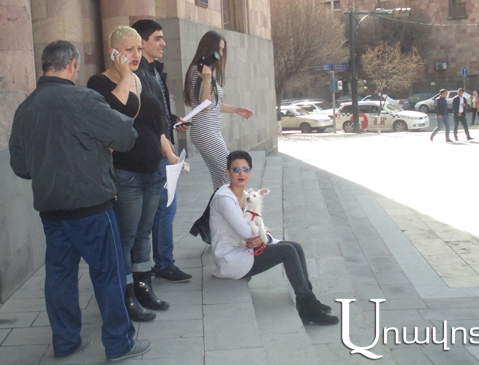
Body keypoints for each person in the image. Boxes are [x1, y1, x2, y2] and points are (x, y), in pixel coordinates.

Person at [9, 40, 151, 361]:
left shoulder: (26, 108)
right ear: (72, 65)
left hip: (51, 207)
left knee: (59, 275)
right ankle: (119, 343)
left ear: (45, 66)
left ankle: (66, 341)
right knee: (107, 272)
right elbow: (126, 136)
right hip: (91, 205)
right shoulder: (83, 99)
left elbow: (20, 166)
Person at [87, 26, 179, 322]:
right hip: (126, 173)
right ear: (113, 51)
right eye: (129, 49)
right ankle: (125, 295)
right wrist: (125, 76)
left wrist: (170, 154)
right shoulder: (99, 83)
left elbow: (156, 124)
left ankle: (143, 287)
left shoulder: (142, 79)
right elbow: (117, 115)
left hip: (153, 171)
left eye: (139, 48)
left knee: (143, 234)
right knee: (125, 237)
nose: (136, 55)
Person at [209, 150, 339, 325]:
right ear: (227, 173)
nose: (241, 174)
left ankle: (308, 299)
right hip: (230, 258)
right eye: (236, 169)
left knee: (296, 247)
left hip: (245, 248)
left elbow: (259, 226)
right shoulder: (224, 199)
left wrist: (266, 237)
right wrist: (264, 234)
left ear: (250, 172)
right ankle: (307, 307)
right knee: (287, 251)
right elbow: (246, 232)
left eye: (245, 169)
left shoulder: (245, 195)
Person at [131, 19, 193, 283]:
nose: (164, 43)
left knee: (164, 209)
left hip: (162, 149)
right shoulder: (139, 74)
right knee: (164, 209)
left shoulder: (154, 71)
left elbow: (157, 113)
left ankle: (158, 263)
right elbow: (145, 118)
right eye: (157, 38)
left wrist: (173, 120)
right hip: (155, 153)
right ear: (142, 42)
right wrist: (165, 146)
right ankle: (162, 264)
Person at [182, 31, 253, 191]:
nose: (221, 54)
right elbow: (205, 105)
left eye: (222, 50)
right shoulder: (197, 71)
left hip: (211, 130)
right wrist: (207, 80)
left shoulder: (208, 71)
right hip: (205, 130)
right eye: (218, 49)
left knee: (220, 176)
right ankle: (232, 204)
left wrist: (237, 109)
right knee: (230, 172)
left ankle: (220, 205)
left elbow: (213, 104)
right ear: (209, 49)